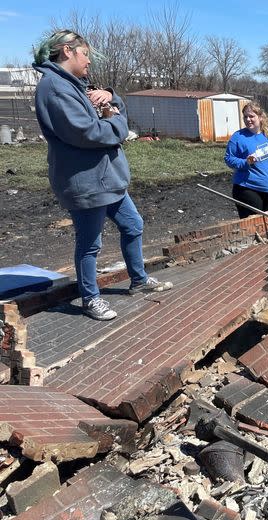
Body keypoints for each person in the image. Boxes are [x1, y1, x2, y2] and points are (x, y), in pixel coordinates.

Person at [32, 30, 171, 321]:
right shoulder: (55, 88)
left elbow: (108, 103)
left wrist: (110, 95)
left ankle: (139, 280)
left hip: (108, 180)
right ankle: (90, 298)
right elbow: (89, 132)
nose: (89, 62)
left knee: (133, 224)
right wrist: (119, 123)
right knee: (90, 243)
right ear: (67, 51)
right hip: (85, 181)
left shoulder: (76, 84)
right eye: (86, 55)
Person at [224, 102, 268, 218]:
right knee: (254, 226)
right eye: (245, 116)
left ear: (260, 117)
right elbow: (229, 159)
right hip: (248, 188)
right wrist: (245, 162)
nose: (248, 119)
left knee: (267, 228)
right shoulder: (238, 137)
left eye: (251, 116)